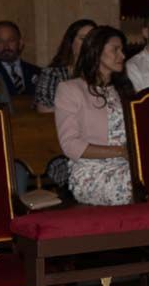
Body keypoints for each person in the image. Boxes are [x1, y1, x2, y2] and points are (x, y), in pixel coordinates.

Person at [55, 26, 135, 206]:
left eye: (122, 50)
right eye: (115, 50)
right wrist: (121, 152)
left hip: (127, 164)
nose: (122, 56)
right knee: (136, 185)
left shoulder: (123, 89)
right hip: (92, 170)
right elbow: (70, 144)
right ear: (96, 51)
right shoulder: (70, 89)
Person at [35, 19, 97, 114]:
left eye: (93, 39)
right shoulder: (53, 74)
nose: (89, 43)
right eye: (83, 39)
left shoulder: (102, 72)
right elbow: (44, 110)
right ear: (71, 42)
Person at [0, 20, 40, 97]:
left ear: (20, 43)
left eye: (11, 40)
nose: (6, 46)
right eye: (0, 41)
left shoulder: (37, 72)